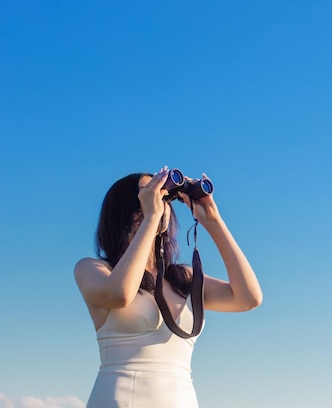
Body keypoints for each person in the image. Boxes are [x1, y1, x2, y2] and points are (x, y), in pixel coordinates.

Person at [74, 166, 263, 408]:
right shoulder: (94, 269)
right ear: (125, 208)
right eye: (151, 193)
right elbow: (120, 294)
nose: (161, 201)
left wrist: (213, 220)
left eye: (165, 195)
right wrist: (151, 217)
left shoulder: (183, 278)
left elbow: (248, 298)